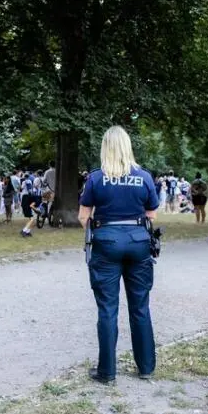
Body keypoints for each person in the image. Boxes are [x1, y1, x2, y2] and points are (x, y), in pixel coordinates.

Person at [78, 126, 160, 384]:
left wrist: (102, 230)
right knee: (140, 306)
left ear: (106, 147)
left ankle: (107, 372)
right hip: (138, 243)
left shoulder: (96, 178)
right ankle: (146, 366)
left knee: (107, 308)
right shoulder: (144, 177)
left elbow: (83, 216)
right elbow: (152, 214)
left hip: (106, 242)